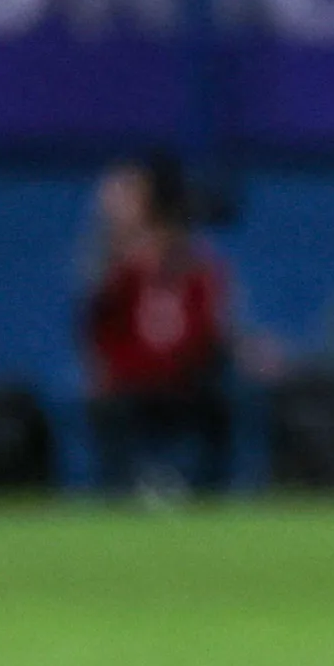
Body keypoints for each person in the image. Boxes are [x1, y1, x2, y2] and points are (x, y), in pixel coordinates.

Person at [82, 153, 233, 496]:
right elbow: (99, 330)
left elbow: (208, 327)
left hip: (187, 381)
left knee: (220, 403)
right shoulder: (114, 269)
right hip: (129, 383)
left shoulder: (196, 265)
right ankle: (120, 491)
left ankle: (210, 492)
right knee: (108, 409)